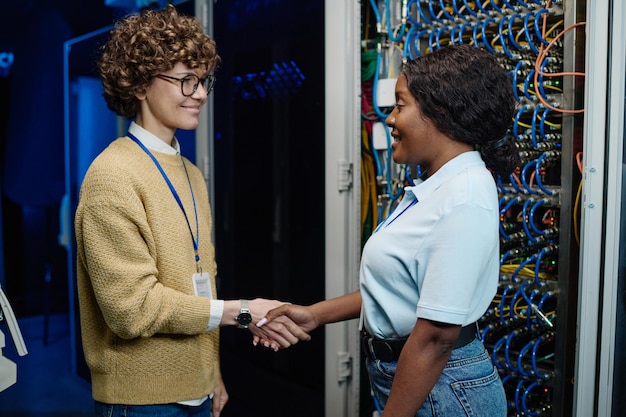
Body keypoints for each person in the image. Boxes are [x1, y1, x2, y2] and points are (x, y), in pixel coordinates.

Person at [257, 44, 520, 417]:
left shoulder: (463, 196)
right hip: (415, 379)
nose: (390, 118)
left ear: (441, 112)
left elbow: (435, 337)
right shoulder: (439, 187)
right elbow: (403, 290)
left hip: (444, 391)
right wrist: (315, 315)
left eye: (401, 105)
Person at [74, 5, 306, 417]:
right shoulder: (111, 176)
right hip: (142, 401)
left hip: (197, 390)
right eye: (186, 80)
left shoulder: (192, 173)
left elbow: (201, 283)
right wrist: (244, 312)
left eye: (203, 81)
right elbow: (132, 311)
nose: (199, 93)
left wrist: (209, 370)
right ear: (141, 85)